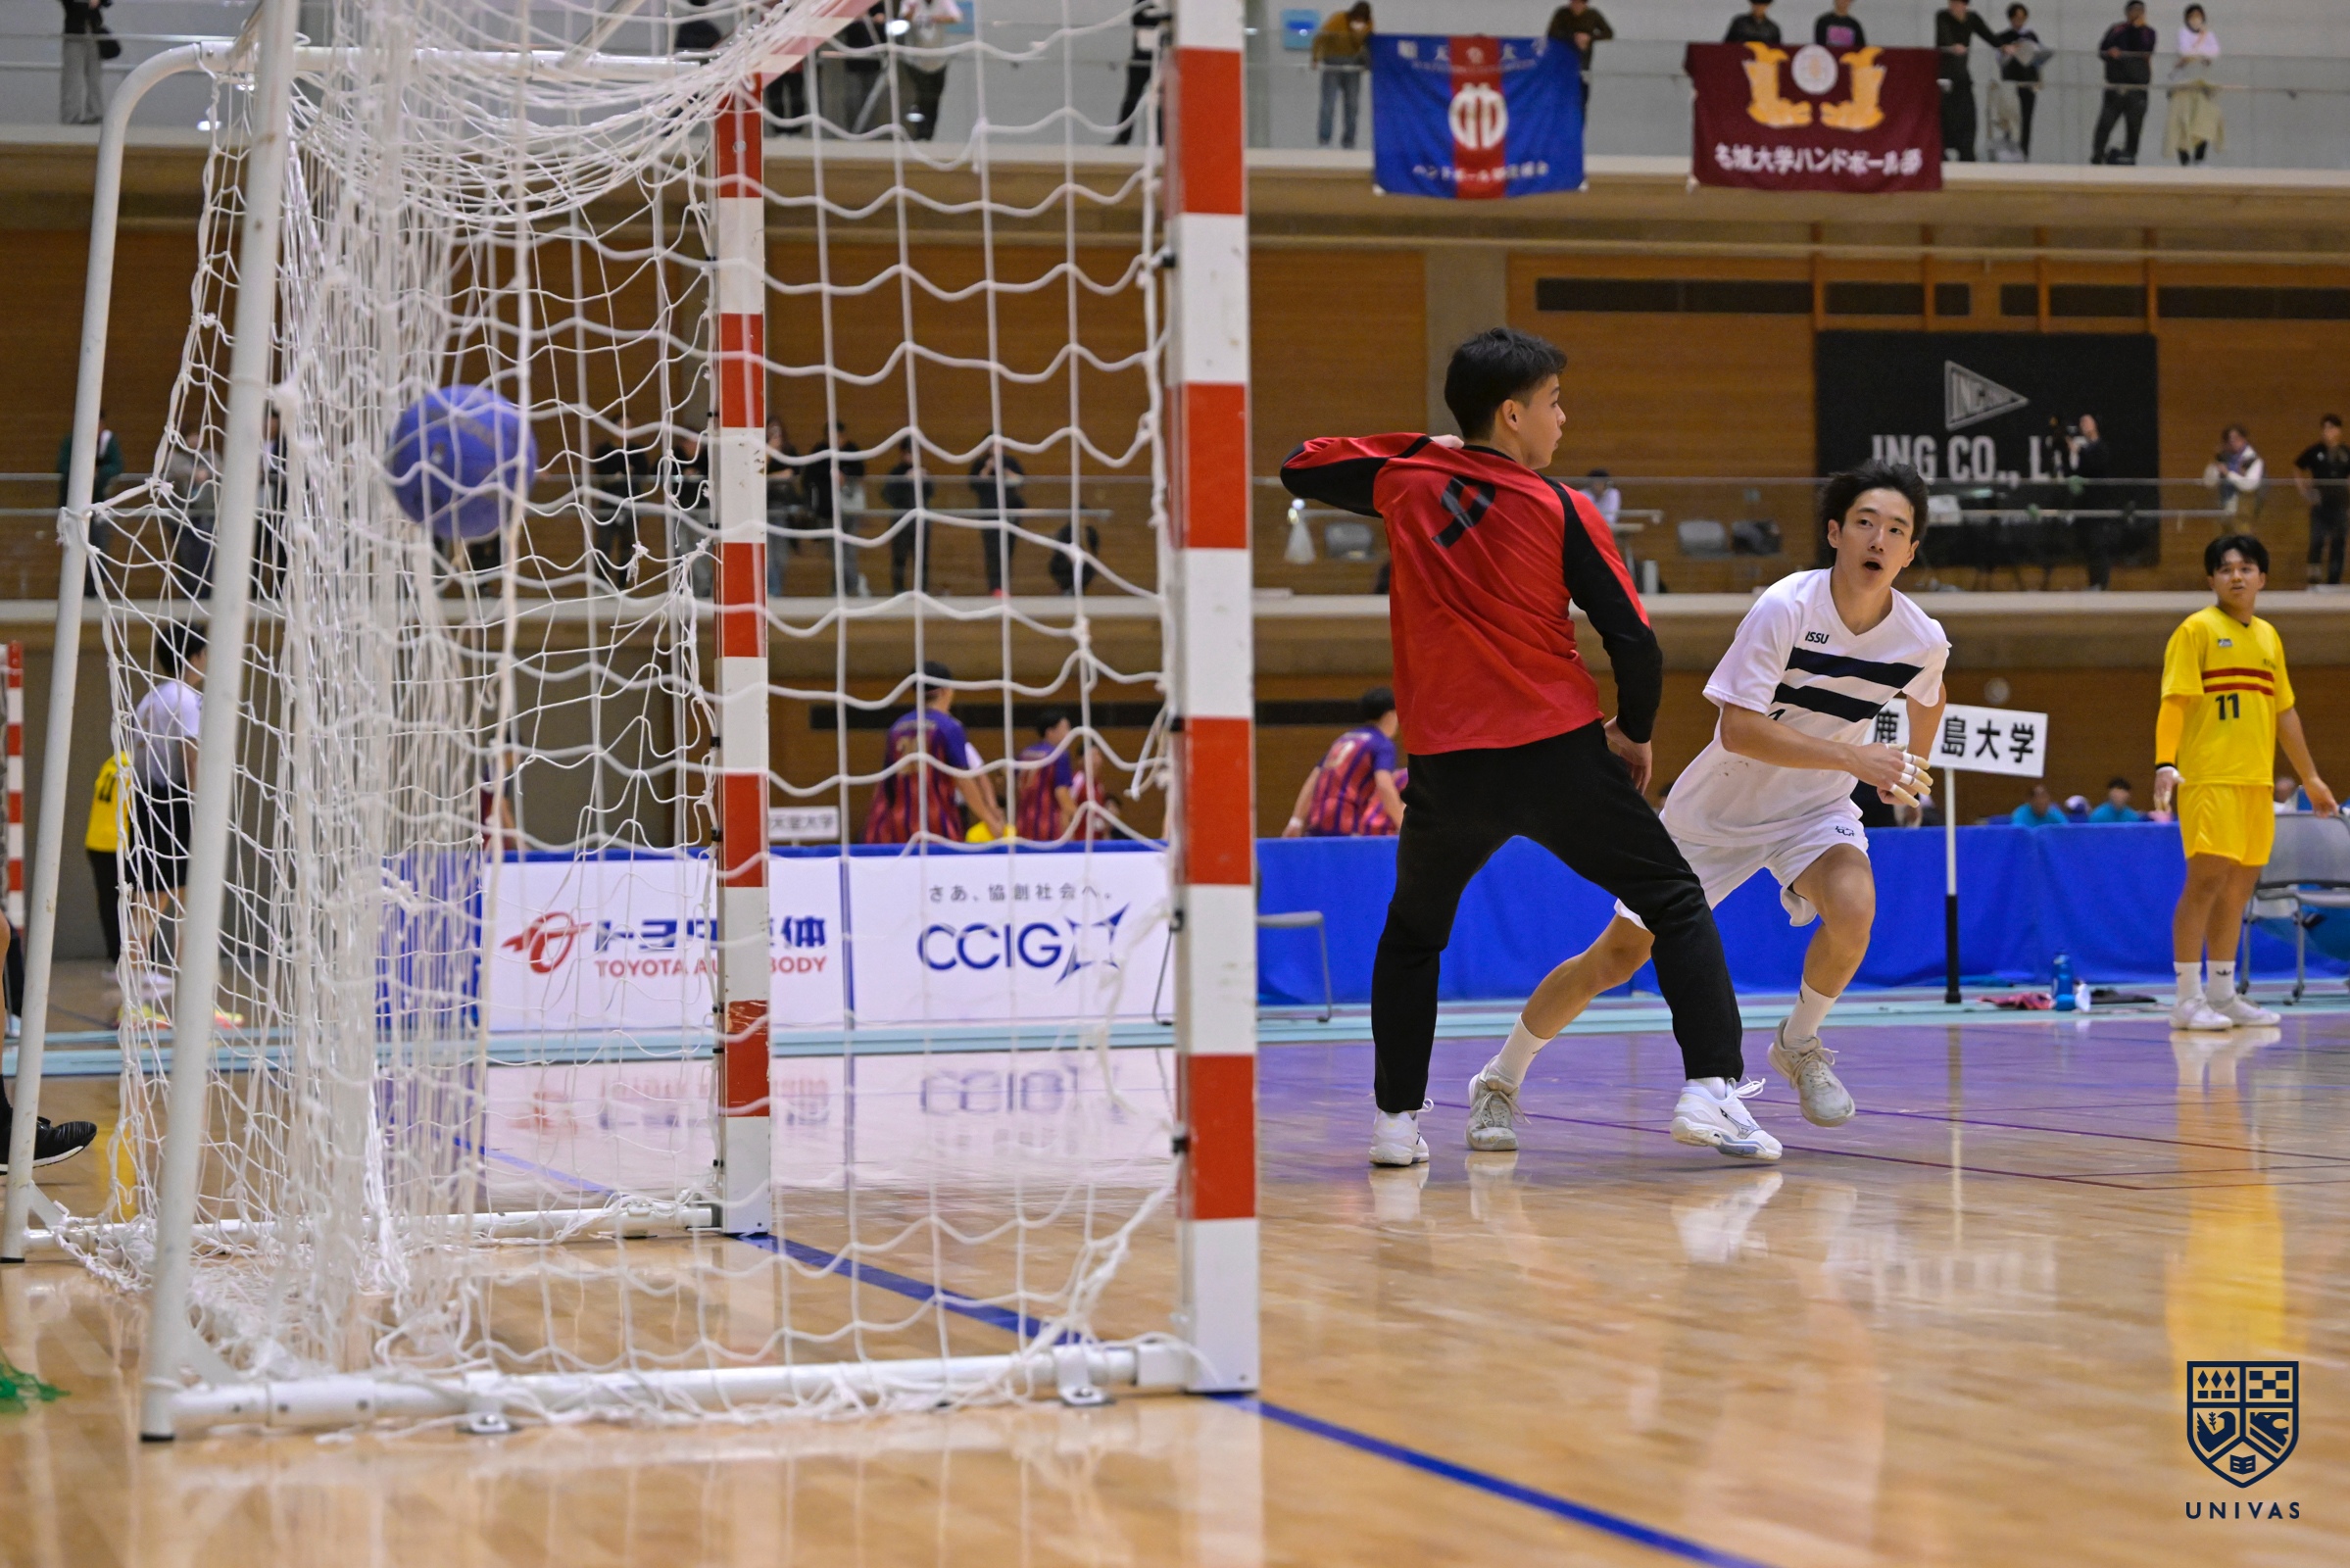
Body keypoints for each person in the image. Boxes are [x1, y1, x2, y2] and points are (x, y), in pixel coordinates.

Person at [1281, 327, 1758, 1167]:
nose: (1562, 419)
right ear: (1511, 413)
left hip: (1447, 770)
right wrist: (1635, 730)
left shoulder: (1407, 480)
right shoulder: (1563, 508)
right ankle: (1710, 1087)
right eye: (1553, 402)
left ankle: (1396, 1124)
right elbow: (1635, 640)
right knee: (1676, 901)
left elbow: (1302, 464)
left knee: (1413, 936)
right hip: (1557, 755)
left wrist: (1429, 449)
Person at [1472, 463, 1944, 1156]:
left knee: (1854, 908)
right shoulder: (1786, 608)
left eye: (1897, 530)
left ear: (1910, 552)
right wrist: (1856, 759)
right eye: (1865, 523)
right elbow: (1739, 730)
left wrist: (1907, 767)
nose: (1879, 539)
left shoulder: (1919, 636)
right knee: (1616, 958)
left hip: (1813, 809)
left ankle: (1799, 1043)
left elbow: (1931, 692)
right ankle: (1499, 1078)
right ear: (1835, 533)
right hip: (1716, 810)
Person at [2152, 533, 2336, 1029]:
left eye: (2246, 568)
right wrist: (2164, 762)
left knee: (2238, 890)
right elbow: (2174, 702)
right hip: (2209, 777)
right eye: (2226, 569)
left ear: (2262, 578)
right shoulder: (2195, 630)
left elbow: (2285, 713)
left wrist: (2311, 777)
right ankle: (2186, 998)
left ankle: (2221, 993)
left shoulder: (2269, 637)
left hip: (2256, 783)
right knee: (2206, 881)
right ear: (2211, 579)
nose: (2236, 576)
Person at [122, 623, 204, 1027]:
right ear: (195, 656)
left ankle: (133, 1000)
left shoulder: (148, 699)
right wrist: (202, 808)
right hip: (176, 804)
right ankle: (191, 1004)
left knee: (150, 903)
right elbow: (190, 756)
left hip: (144, 804)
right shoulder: (186, 698)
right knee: (188, 902)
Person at [862, 661, 1005, 843]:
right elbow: (963, 780)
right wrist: (989, 819)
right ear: (946, 690)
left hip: (900, 824)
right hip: (938, 822)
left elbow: (885, 783)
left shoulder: (897, 727)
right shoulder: (949, 726)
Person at [1282, 688, 1407, 838]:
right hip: (1344, 820)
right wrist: (1402, 825)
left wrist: (1296, 821)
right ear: (1389, 715)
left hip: (1317, 819)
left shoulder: (1343, 739)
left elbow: (1314, 779)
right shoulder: (1382, 744)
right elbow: (1384, 785)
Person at [59, 409, 122, 596]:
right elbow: (62, 466)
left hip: (99, 505)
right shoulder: (71, 441)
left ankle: (94, 586)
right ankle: (73, 587)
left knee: (99, 545)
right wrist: (83, 470)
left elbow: (117, 466)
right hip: (73, 507)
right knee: (74, 546)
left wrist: (99, 473)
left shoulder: (108, 442)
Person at [2091, 1, 2157, 166]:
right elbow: (2102, 49)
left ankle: (2130, 156)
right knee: (2105, 123)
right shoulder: (2117, 29)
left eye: (2139, 11)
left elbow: (2146, 48)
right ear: (2127, 13)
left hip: (2137, 87)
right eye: (2133, 11)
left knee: (2134, 126)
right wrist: (2110, 52)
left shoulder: (2148, 32)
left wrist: (2137, 29)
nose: (2136, 14)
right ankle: (2097, 155)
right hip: (2116, 85)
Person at [1934, 0, 1999, 163]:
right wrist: (1952, 46)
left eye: (1957, 4)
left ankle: (1966, 151)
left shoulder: (1972, 18)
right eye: (1951, 3)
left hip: (1962, 75)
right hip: (1944, 75)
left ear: (1965, 5)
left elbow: (1988, 35)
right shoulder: (1942, 16)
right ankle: (1941, 150)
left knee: (1967, 115)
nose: (1953, 7)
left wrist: (2003, 46)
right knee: (1944, 115)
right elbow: (1943, 38)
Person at [2291, 415, 2350, 588]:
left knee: (2338, 542)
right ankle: (2313, 580)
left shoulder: (2346, 452)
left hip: (2341, 505)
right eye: (2324, 428)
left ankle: (2334, 581)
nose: (2326, 432)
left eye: (2331, 428)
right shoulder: (2315, 451)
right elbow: (2297, 467)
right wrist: (2304, 491)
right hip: (2320, 505)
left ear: (2338, 431)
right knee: (2317, 541)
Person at [86, 748, 128, 968]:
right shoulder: (139, 767)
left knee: (109, 904)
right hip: (119, 842)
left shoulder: (112, 761)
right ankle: (134, 964)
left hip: (96, 840)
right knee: (136, 904)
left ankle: (117, 959)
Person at [898, 0, 961, 142]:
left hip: (938, 60)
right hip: (916, 60)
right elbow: (904, 17)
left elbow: (957, 17)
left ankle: (929, 136)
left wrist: (936, 18)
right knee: (922, 97)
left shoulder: (943, 2)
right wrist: (912, 12)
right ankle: (920, 134)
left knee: (934, 99)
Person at [2166, 5, 2222, 166]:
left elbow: (2215, 52)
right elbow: (2185, 51)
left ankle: (2199, 159)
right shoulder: (2182, 32)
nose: (2196, 19)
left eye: (2198, 15)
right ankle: (2184, 161)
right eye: (2192, 15)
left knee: (2203, 122)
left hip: (2202, 85)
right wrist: (2201, 49)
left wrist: (2196, 51)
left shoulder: (2209, 34)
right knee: (2181, 123)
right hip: (2183, 85)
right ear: (2186, 18)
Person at [1311, 4, 1373, 151]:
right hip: (1333, 63)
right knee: (1328, 104)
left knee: (1352, 106)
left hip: (1353, 65)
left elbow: (1370, 44)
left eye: (1362, 21)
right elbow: (1321, 38)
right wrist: (1315, 57)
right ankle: (1324, 141)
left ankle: (1349, 142)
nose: (1359, 23)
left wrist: (1368, 63)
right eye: (1357, 19)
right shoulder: (1338, 19)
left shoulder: (1369, 24)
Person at [969, 442, 1027, 597]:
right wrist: (988, 468)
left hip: (1010, 512)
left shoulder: (1010, 462)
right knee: (993, 551)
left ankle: (1005, 586)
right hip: (989, 513)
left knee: (1008, 550)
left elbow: (1021, 481)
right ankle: (995, 587)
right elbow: (974, 485)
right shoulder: (980, 463)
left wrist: (1004, 470)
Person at [1111, 0, 1170, 147]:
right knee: (1131, 99)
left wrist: (1160, 18)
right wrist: (1161, 19)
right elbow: (1138, 19)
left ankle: (1161, 141)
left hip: (1162, 58)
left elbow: (1172, 22)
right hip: (1141, 57)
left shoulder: (1169, 3)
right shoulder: (1143, 1)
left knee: (1161, 101)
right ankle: (1123, 138)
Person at [1013, 710, 1078, 842]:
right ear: (1050, 732)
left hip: (1023, 823)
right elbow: (1061, 793)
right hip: (1048, 826)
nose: (1069, 733)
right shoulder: (1059, 755)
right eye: (1065, 728)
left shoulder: (1024, 754)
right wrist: (1076, 814)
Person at [2067, 414, 2115, 589]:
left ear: (2095, 425)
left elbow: (2097, 467)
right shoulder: (2085, 450)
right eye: (2081, 423)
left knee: (2099, 544)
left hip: (2099, 505)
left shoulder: (2101, 448)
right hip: (2086, 505)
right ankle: (2094, 582)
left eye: (2087, 422)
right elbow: (2080, 472)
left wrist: (2079, 451)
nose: (2084, 425)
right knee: (2089, 545)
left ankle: (2102, 583)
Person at [1992, 4, 2046, 159]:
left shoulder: (2031, 36)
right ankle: (2010, 151)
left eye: (2022, 18)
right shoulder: (2003, 37)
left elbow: (2039, 57)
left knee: (2026, 119)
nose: (2019, 22)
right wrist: (2011, 50)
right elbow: (2000, 59)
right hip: (2011, 83)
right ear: (2011, 19)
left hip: (2028, 83)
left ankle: (2024, 153)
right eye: (2016, 18)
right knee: (2010, 118)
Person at [881, 442, 935, 595]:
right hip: (900, 521)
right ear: (903, 454)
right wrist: (905, 480)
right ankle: (898, 590)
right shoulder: (896, 472)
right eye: (910, 453)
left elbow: (930, 493)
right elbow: (887, 495)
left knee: (922, 557)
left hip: (921, 521)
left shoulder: (923, 471)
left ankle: (922, 589)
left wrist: (925, 479)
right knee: (899, 557)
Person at [1546, 0, 1612, 123]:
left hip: (1584, 64)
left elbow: (1608, 33)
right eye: (1573, 3)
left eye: (1579, 3)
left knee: (1581, 99)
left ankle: (1578, 126)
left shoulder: (1593, 15)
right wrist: (1573, 37)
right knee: (1561, 98)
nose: (1575, 6)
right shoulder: (1562, 14)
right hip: (1562, 63)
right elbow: (1551, 33)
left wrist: (1589, 38)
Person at [764, 418, 803, 597]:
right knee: (768, 553)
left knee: (780, 552)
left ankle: (776, 588)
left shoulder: (789, 450)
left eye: (778, 430)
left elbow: (794, 473)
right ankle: (773, 589)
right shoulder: (760, 449)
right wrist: (769, 451)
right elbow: (757, 472)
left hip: (782, 506)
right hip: (763, 505)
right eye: (771, 430)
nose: (775, 434)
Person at [58, 0, 111, 126]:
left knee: (94, 77)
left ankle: (95, 114)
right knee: (72, 78)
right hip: (75, 34)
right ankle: (70, 117)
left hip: (94, 32)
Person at [2209, 423, 2263, 515]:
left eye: (2236, 439)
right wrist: (2217, 461)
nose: (2232, 442)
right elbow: (2209, 483)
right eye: (2229, 440)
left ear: (2244, 439)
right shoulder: (2223, 458)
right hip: (2223, 508)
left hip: (2245, 510)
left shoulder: (2252, 459)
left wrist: (2228, 473)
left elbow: (2249, 485)